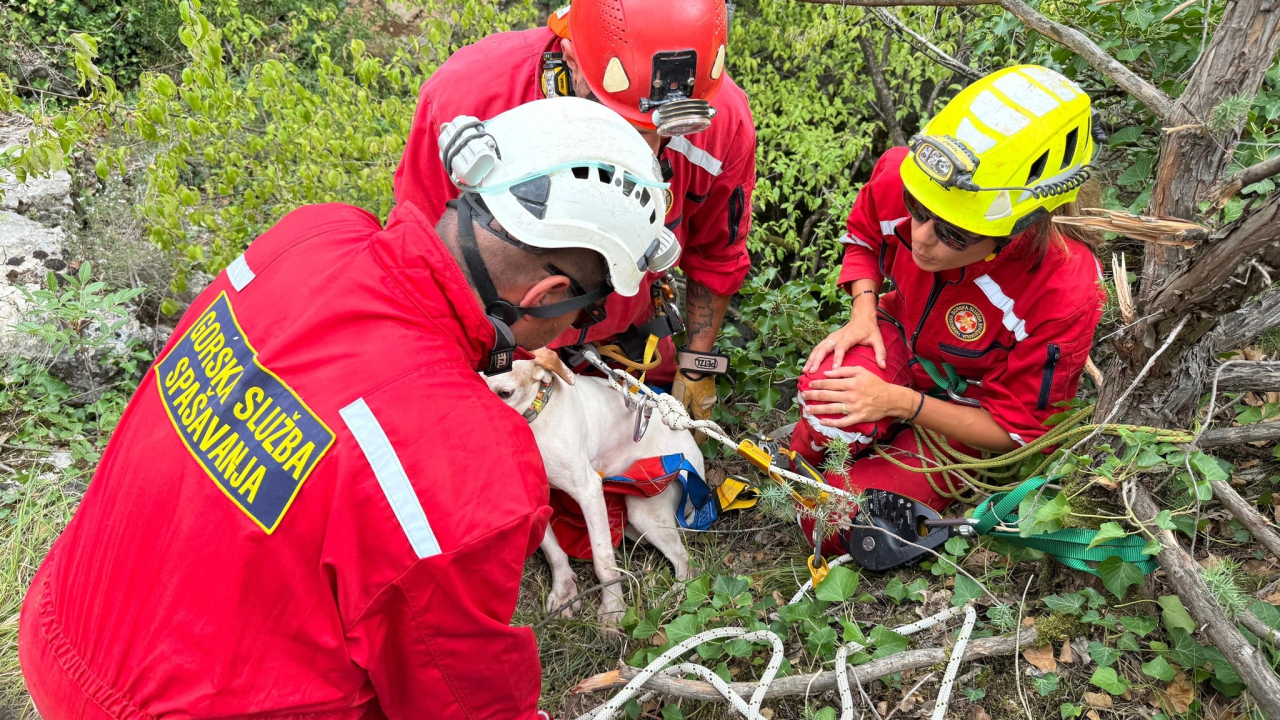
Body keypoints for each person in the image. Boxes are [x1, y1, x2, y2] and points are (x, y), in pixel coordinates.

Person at [19, 97, 676, 720]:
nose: (577, 329)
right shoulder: (466, 459)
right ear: (545, 293)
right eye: (588, 312)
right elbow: (457, 696)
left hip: (65, 626)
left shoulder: (309, 238)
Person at [395, 0, 757, 428]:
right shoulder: (472, 100)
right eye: (621, 125)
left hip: (627, 347)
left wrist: (697, 368)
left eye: (665, 132)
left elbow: (717, 257)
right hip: (502, 357)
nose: (646, 154)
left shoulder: (720, 125)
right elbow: (421, 261)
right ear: (570, 60)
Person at [791, 65, 1106, 555]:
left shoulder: (1063, 286)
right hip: (901, 334)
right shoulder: (905, 176)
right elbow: (864, 236)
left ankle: (869, 453)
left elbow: (1018, 429)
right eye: (918, 211)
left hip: (971, 404)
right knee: (825, 397)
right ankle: (812, 456)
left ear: (1023, 226)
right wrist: (863, 311)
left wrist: (900, 404)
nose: (921, 239)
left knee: (829, 523)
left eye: (954, 234)